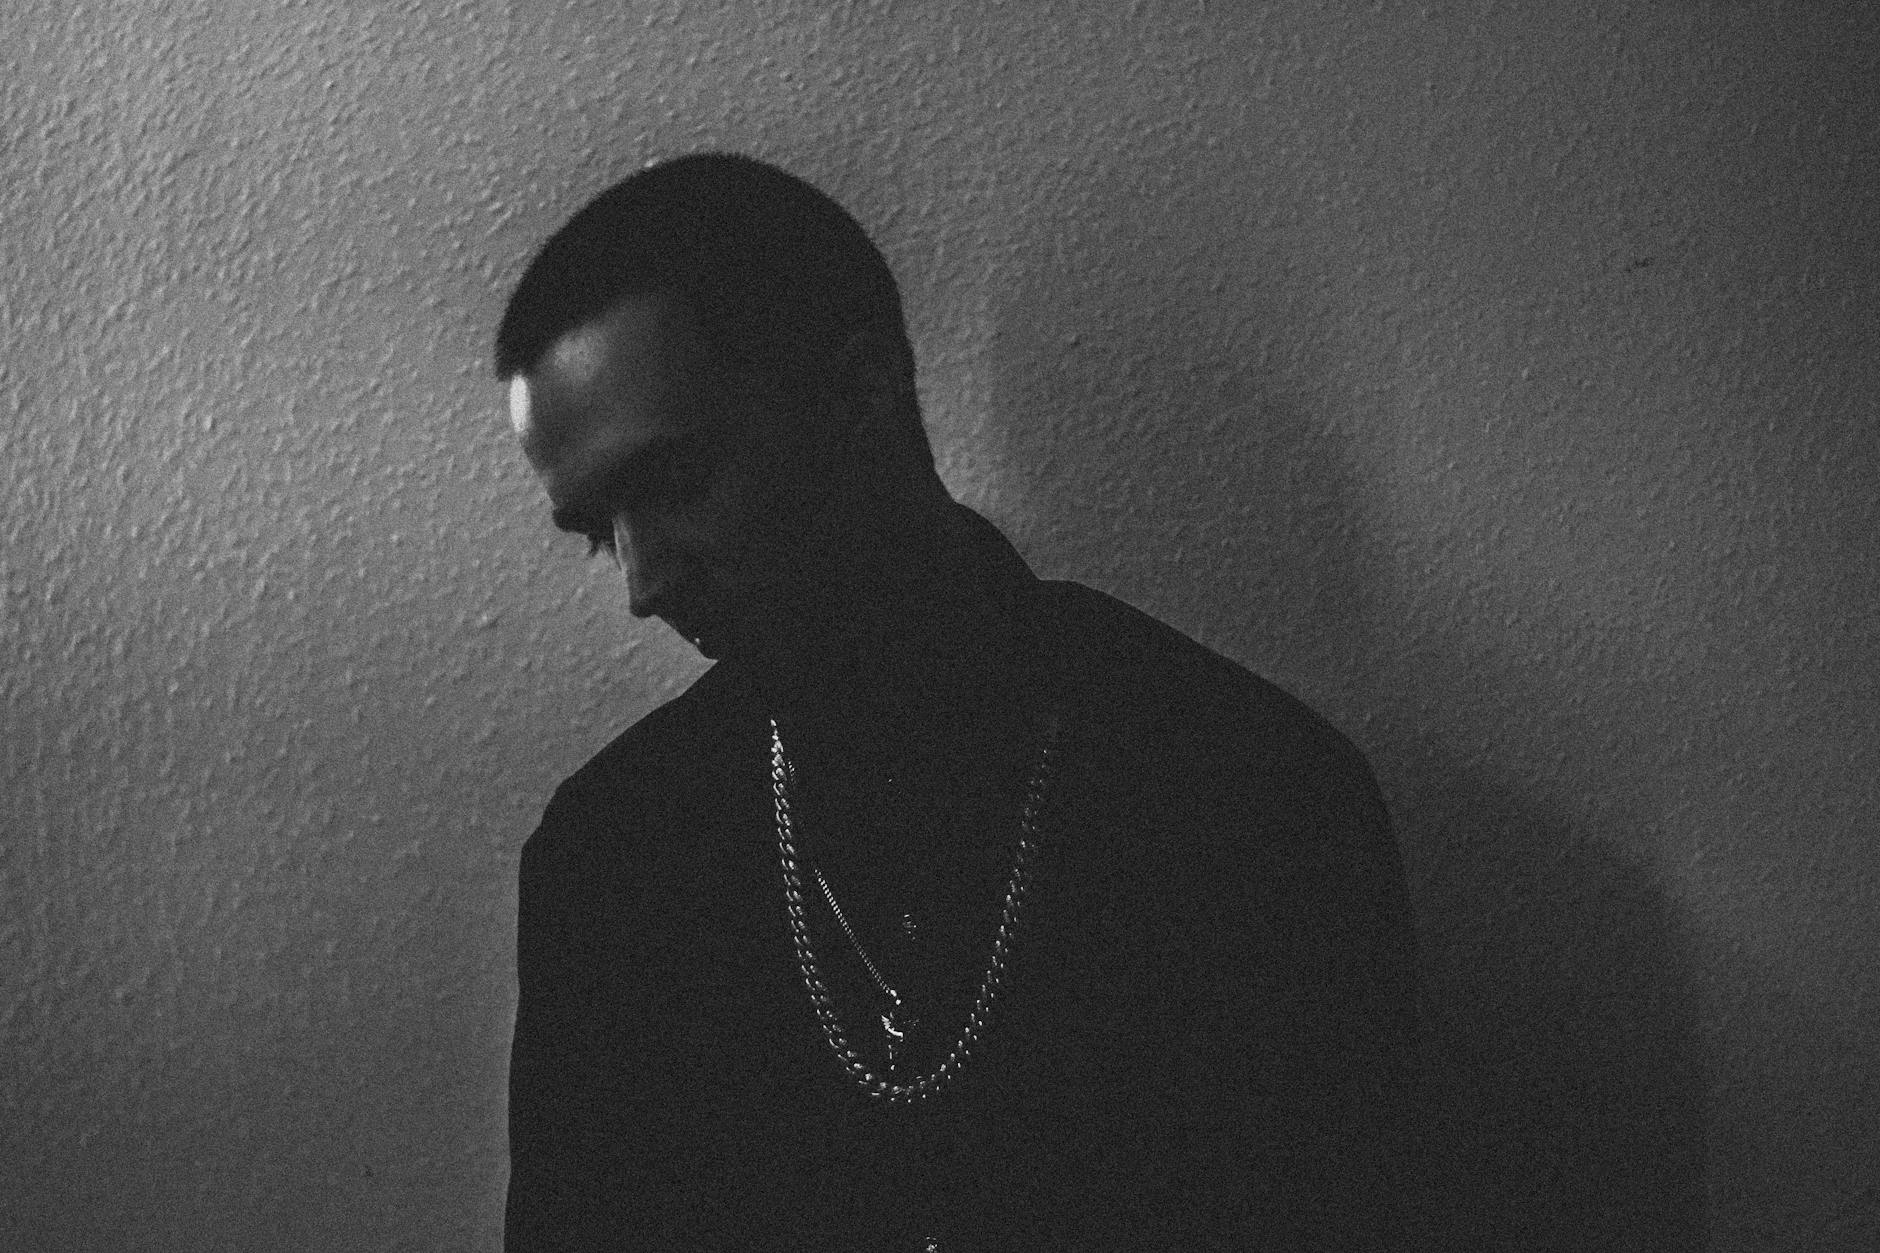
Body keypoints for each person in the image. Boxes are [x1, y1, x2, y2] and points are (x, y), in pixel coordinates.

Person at [495, 152, 1421, 1251]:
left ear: (858, 388)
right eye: (600, 528)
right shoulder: (613, 862)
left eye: (674, 481)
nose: (643, 585)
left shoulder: (1252, 800)